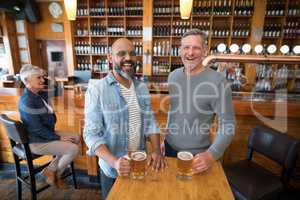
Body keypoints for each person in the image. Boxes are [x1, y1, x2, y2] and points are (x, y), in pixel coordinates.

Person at [83, 38, 166, 199]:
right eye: (121, 54)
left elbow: (150, 123)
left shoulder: (141, 88)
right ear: (109, 57)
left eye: (132, 54)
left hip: (140, 165)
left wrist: (156, 150)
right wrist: (115, 162)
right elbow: (91, 135)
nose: (128, 58)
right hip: (113, 171)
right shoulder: (97, 90)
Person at [165, 29, 236, 174]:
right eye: (186, 47)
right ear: (180, 51)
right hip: (168, 148)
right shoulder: (173, 76)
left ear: (205, 50)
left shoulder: (218, 82)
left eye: (196, 47)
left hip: (197, 156)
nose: (190, 53)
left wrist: (212, 154)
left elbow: (228, 124)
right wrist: (166, 138)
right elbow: (174, 111)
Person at [18, 64, 79, 188]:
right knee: (73, 149)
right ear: (26, 81)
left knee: (76, 137)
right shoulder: (27, 101)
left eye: (42, 77)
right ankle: (56, 174)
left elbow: (59, 90)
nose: (42, 80)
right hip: (37, 141)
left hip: (44, 135)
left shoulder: (39, 93)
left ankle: (50, 170)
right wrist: (59, 138)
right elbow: (37, 129)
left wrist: (48, 77)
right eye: (38, 78)